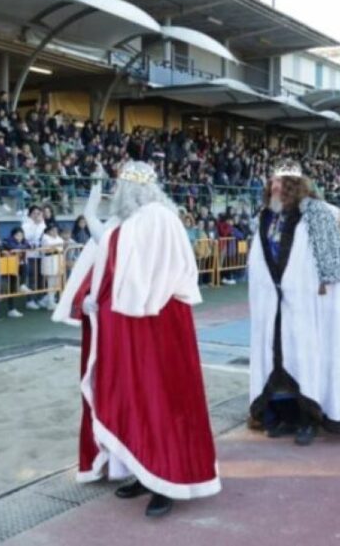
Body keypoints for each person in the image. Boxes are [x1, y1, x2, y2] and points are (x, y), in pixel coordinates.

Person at [52, 160, 219, 518]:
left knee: (163, 398)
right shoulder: (130, 221)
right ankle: (143, 469)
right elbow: (109, 263)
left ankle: (167, 479)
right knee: (136, 396)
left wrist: (92, 218)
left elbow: (125, 253)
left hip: (159, 326)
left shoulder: (157, 217)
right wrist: (88, 300)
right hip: (133, 324)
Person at [248, 160, 340, 445]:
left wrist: (316, 289)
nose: (273, 186)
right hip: (274, 302)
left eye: (280, 182)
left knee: (306, 357)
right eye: (272, 181)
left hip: (307, 302)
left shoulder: (316, 213)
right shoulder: (266, 216)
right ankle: (282, 416)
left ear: (294, 186)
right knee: (277, 358)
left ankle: (309, 419)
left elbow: (334, 263)